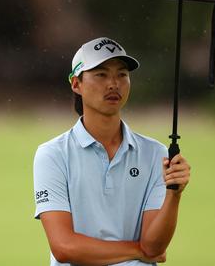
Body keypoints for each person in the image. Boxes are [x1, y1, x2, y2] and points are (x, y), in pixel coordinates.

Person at [33, 37, 191, 265]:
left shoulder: (157, 154)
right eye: (101, 74)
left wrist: (173, 195)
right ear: (76, 84)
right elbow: (64, 247)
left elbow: (155, 246)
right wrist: (138, 250)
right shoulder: (52, 154)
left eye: (122, 74)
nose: (113, 84)